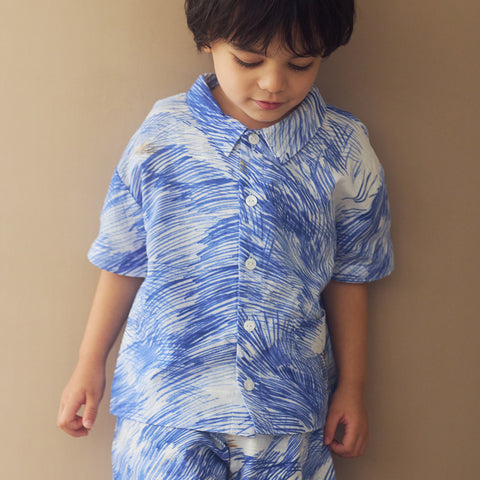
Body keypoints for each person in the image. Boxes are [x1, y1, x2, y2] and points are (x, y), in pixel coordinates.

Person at [57, 0, 394, 478]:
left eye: (300, 64)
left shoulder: (344, 147)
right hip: (165, 405)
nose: (273, 82)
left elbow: (351, 275)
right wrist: (89, 363)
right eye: (249, 60)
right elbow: (123, 258)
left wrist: (352, 388)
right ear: (207, 41)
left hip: (286, 411)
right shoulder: (163, 134)